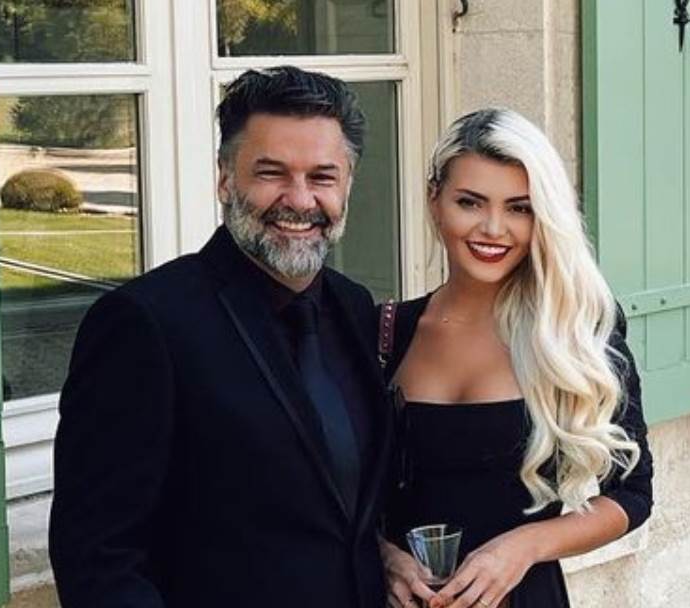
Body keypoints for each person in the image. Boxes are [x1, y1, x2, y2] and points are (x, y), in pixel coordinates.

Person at [49, 66, 392, 607]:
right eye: (272, 173)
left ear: (347, 184)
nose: (300, 200)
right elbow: (98, 560)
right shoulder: (144, 323)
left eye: (322, 177)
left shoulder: (353, 307)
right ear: (225, 179)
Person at [378, 108, 654, 608]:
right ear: (435, 201)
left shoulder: (576, 332)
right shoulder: (385, 332)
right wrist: (383, 557)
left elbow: (632, 495)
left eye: (519, 208)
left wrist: (524, 547)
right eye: (470, 202)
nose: (493, 228)